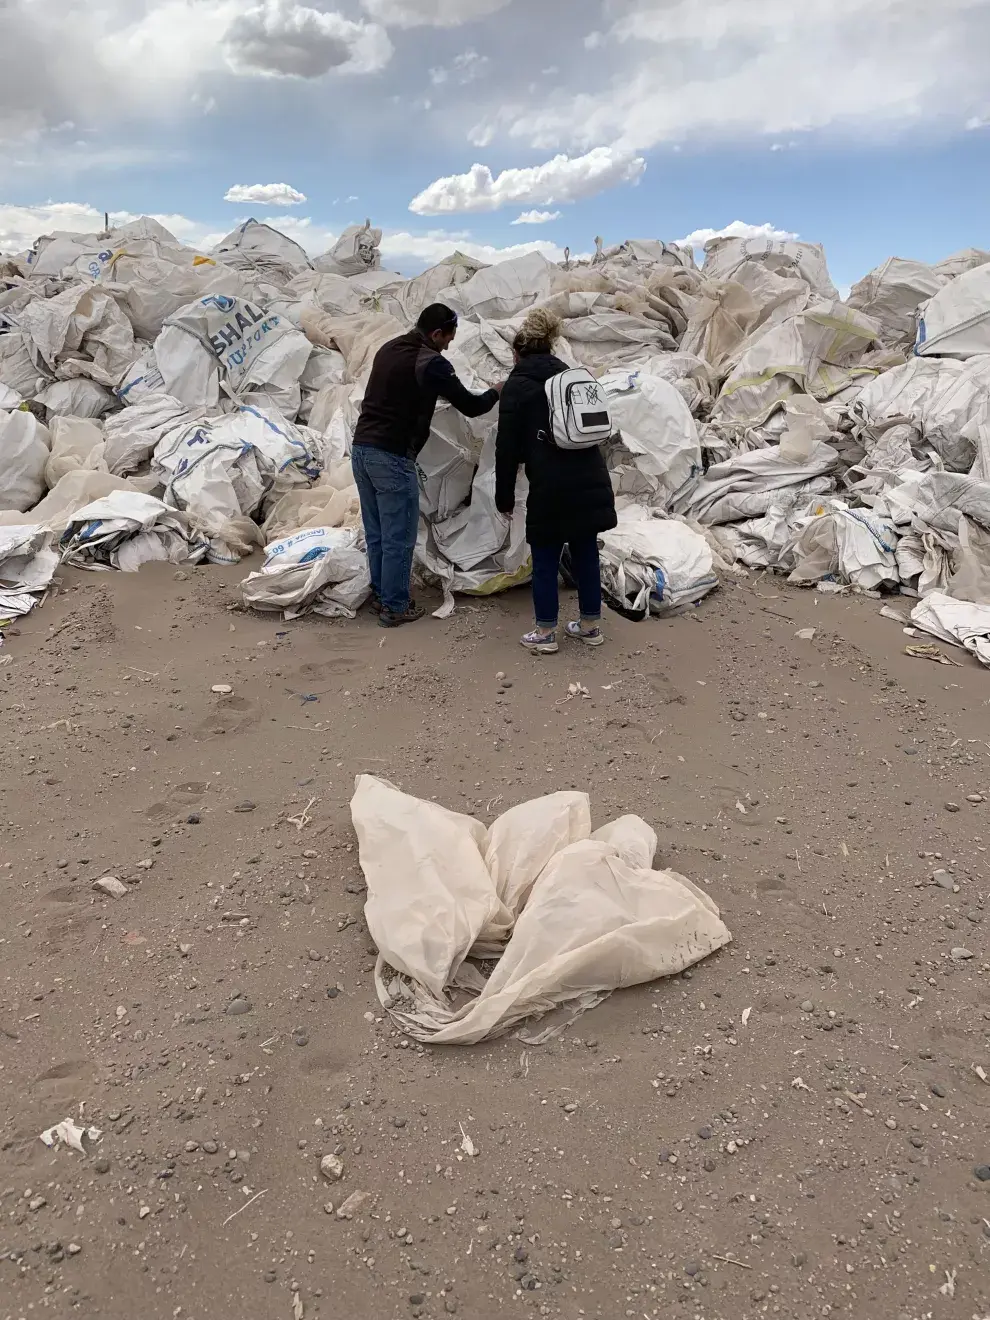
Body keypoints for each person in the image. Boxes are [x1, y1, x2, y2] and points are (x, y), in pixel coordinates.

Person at [351, 303, 501, 628]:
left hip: (362, 450)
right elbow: (472, 406)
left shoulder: (390, 348)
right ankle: (395, 606)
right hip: (391, 457)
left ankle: (381, 594)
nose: (449, 344)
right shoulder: (432, 363)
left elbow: (398, 393)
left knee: (377, 533)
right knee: (399, 536)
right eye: (448, 337)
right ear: (436, 334)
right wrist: (497, 391)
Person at [494, 308, 617, 655]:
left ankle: (545, 632)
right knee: (585, 551)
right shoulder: (568, 376)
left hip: (550, 482)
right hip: (590, 472)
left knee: (545, 555)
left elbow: (506, 449)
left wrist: (503, 497)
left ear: (517, 352)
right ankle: (590, 626)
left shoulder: (517, 385)